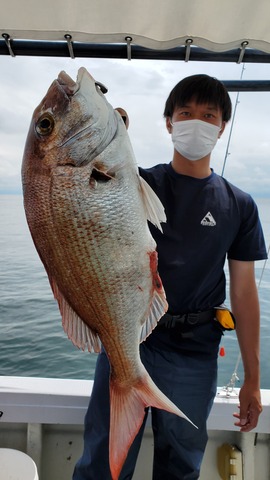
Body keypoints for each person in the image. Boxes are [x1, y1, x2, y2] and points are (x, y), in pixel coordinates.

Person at [73, 74, 267, 480]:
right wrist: (108, 130)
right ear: (168, 122)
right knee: (102, 465)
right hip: (128, 340)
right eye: (185, 113)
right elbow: (88, 190)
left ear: (221, 128)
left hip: (195, 353)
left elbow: (245, 294)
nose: (196, 122)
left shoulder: (241, 205)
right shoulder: (137, 184)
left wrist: (253, 377)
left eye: (208, 115)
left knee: (181, 467)